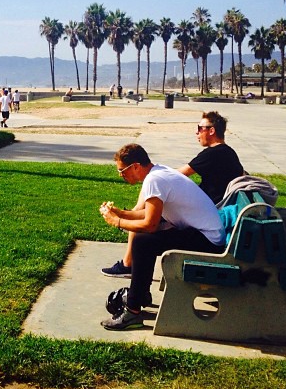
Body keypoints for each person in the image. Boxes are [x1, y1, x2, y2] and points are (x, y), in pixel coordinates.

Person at [102, 111, 243, 278]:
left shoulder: (214, 152)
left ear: (211, 130)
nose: (196, 132)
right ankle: (129, 266)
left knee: (143, 229)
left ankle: (128, 265)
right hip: (208, 212)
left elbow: (179, 174)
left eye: (200, 128)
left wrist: (118, 220)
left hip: (205, 217)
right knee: (144, 213)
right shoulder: (228, 152)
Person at [99, 143, 224, 330]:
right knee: (145, 241)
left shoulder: (154, 180)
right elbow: (148, 214)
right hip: (205, 235)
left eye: (122, 170)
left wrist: (116, 222)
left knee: (143, 242)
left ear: (135, 166)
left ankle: (132, 311)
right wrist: (120, 213)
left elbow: (150, 224)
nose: (120, 175)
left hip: (208, 241)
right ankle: (139, 296)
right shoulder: (159, 172)